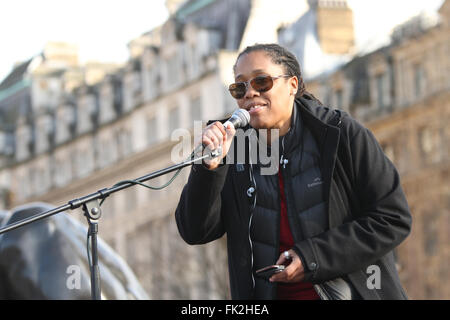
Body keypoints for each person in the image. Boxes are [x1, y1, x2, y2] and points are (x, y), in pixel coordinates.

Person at [175, 43, 412, 300]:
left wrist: (312, 257)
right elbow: (194, 231)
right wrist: (209, 168)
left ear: (293, 85)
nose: (250, 92)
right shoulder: (232, 149)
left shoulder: (339, 134)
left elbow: (392, 218)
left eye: (262, 81)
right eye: (239, 87)